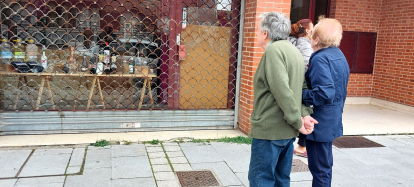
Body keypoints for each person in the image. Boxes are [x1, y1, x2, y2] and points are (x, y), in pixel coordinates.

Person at [248, 12, 318, 187]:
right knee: (281, 179)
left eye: (258, 30)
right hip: (287, 133)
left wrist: (298, 120)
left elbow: (283, 91)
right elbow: (301, 88)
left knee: (260, 179)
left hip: (270, 130)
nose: (257, 34)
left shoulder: (273, 51)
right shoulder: (293, 50)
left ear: (265, 33)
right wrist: (304, 115)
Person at [302, 17, 350, 187]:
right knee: (324, 166)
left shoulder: (320, 58)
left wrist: (300, 95)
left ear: (317, 39)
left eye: (312, 36)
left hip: (319, 122)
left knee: (320, 170)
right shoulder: (338, 54)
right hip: (331, 119)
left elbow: (324, 93)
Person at [288, 19, 314, 157]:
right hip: (302, 85)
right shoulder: (305, 44)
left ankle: (300, 146)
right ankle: (301, 147)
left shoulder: (290, 41)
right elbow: (306, 67)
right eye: (313, 27)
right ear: (308, 30)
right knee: (306, 112)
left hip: (292, 83)